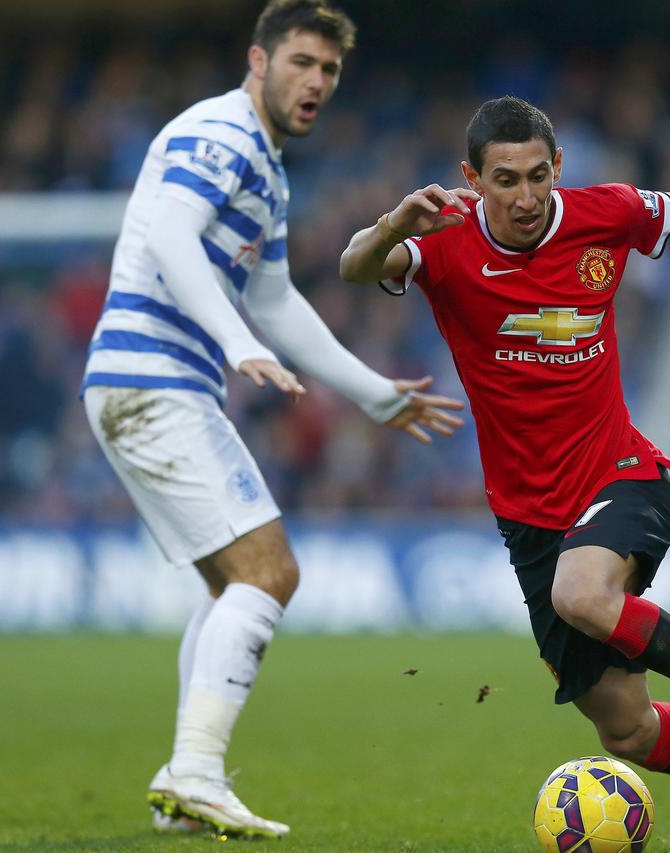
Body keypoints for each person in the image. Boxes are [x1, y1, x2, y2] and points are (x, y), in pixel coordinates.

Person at [340, 96, 670, 853]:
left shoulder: (604, 214)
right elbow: (353, 265)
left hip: (620, 474)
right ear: (472, 178)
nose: (525, 197)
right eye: (504, 180)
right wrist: (396, 222)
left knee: (582, 594)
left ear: (558, 167)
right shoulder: (442, 240)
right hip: (529, 517)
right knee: (626, 728)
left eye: (537, 176)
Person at [80, 0, 464, 840]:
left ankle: (181, 781)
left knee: (230, 584)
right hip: (154, 379)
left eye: (329, 69)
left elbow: (276, 298)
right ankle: (196, 769)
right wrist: (231, 342)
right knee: (270, 570)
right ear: (259, 61)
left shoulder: (268, 165)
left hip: (146, 382)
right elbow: (174, 238)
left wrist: (370, 391)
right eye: (301, 62)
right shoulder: (221, 136)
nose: (315, 82)